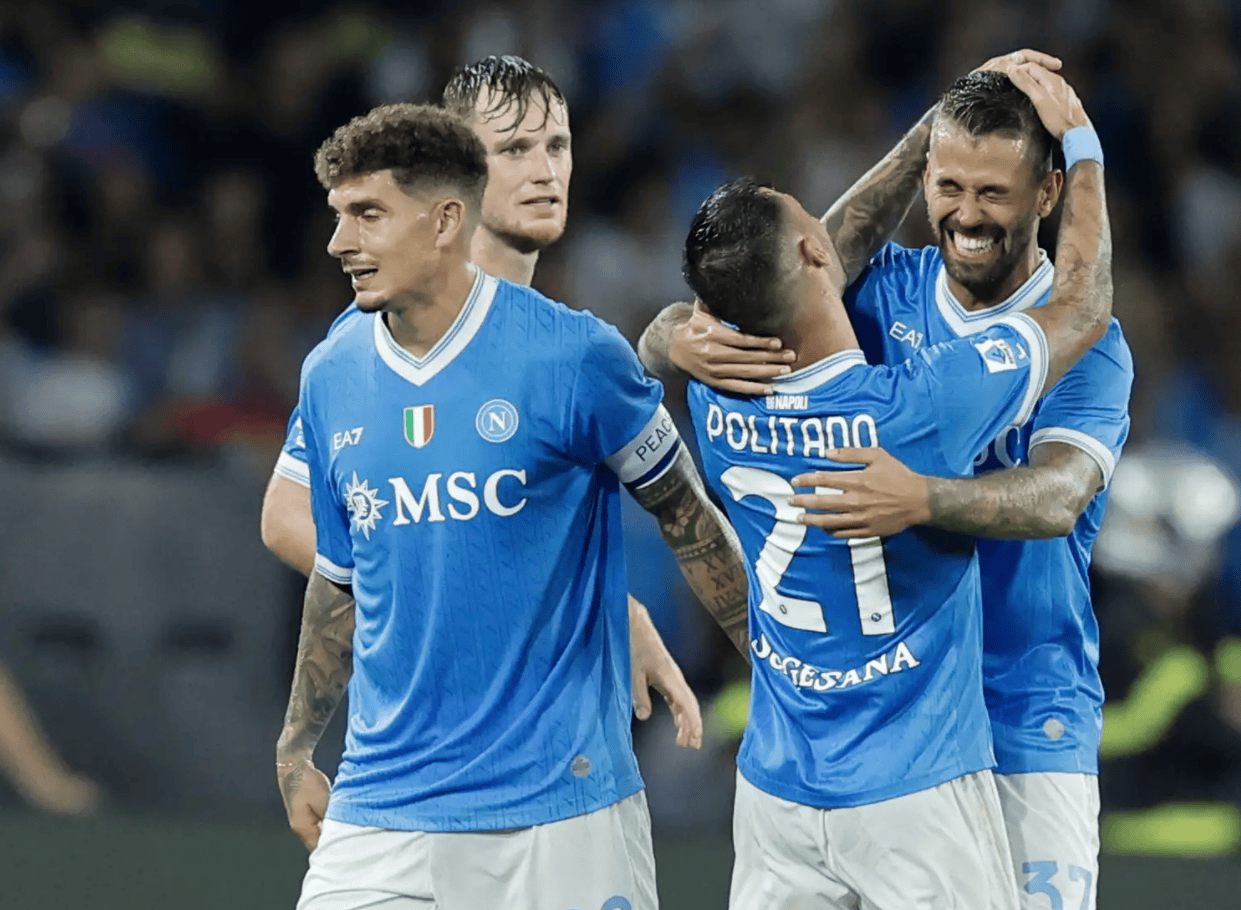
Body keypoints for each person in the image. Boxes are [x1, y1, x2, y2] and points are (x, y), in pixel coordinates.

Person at [643, 57, 1131, 909]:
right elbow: (783, 277)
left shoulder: (1095, 353)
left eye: (993, 192)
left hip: (1023, 707)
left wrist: (927, 499)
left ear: (1047, 194)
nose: (966, 214)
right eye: (949, 186)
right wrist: (671, 335)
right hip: (887, 722)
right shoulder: (880, 292)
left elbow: (1059, 495)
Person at [277, 103, 749, 909]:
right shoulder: (332, 373)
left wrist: (786, 678)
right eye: (338, 215)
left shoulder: (575, 356)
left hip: (558, 812)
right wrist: (296, 745)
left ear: (444, 220)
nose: (339, 242)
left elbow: (693, 523)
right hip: (379, 811)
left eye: (367, 214)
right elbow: (339, 577)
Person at [259, 57, 702, 754]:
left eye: (556, 147)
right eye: (514, 150)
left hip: (556, 745)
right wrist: (470, 592)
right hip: (423, 737)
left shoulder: (563, 339)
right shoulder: (382, 330)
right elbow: (286, 516)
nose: (544, 172)